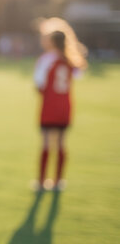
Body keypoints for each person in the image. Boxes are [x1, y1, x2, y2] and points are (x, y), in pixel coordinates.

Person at [33, 23, 87, 191]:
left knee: (47, 144)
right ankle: (58, 182)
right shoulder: (70, 60)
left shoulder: (46, 59)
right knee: (62, 143)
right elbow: (79, 75)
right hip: (65, 109)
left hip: (49, 109)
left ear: (51, 42)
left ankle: (42, 182)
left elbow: (39, 84)